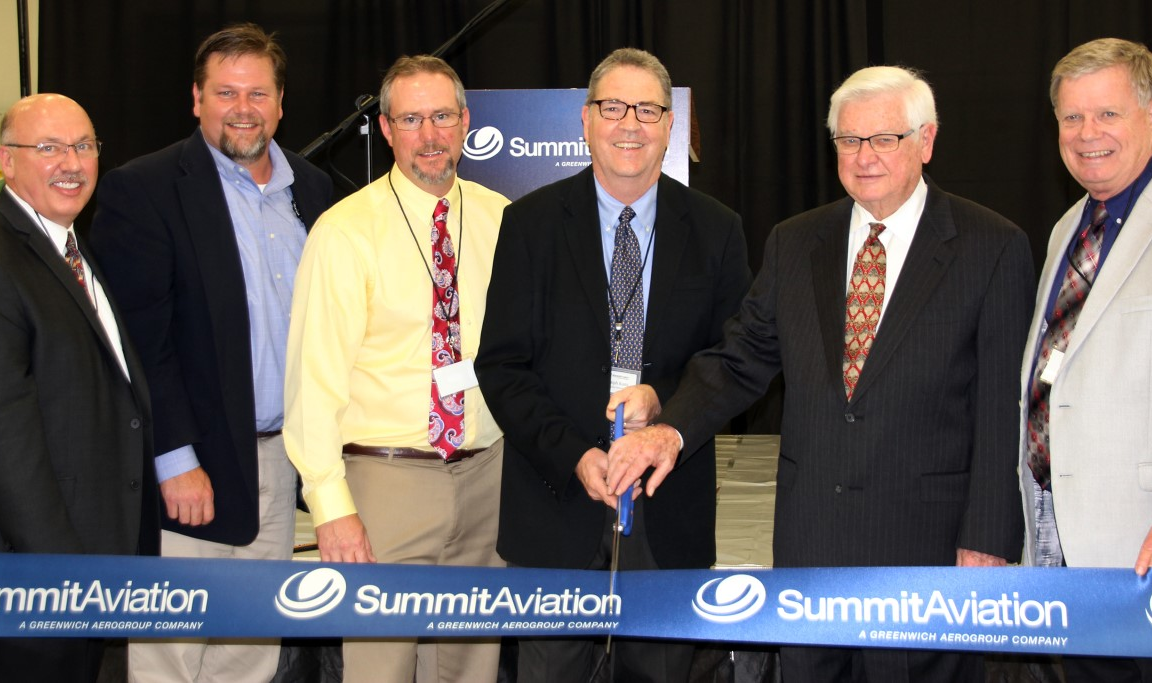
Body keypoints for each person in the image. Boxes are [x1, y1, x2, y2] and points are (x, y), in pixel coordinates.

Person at [608, 65, 1036, 681]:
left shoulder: (991, 245)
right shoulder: (796, 241)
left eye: (884, 138)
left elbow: (1002, 407)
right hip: (811, 548)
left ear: (926, 141)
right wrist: (669, 431)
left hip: (929, 551)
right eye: (848, 140)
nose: (864, 156)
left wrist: (989, 538)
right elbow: (740, 358)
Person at [475, 48, 751, 682]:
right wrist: (575, 454)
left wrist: (664, 403)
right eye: (614, 107)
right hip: (556, 506)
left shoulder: (718, 230)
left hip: (667, 510)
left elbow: (733, 361)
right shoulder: (529, 225)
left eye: (648, 110)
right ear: (586, 119)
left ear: (670, 124)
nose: (631, 124)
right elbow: (503, 366)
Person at [88, 23, 332, 683]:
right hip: (191, 466)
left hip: (281, 459)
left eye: (258, 93)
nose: (243, 108)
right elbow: (138, 342)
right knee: (172, 650)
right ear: (196, 99)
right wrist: (174, 459)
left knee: (250, 645)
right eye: (226, 92)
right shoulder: (145, 189)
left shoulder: (314, 191)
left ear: (281, 102)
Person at [284, 54, 508, 683]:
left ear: (465, 121)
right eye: (411, 119)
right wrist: (331, 507)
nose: (429, 135)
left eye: (442, 117)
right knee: (379, 669)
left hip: (487, 477)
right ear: (385, 129)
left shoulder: (503, 218)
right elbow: (312, 383)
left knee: (471, 667)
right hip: (386, 482)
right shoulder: (345, 231)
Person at [1020, 38, 1152, 681]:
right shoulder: (1067, 227)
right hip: (1067, 553)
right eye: (1072, 117)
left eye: (1107, 114)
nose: (1088, 133)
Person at [0, 94, 159, 682]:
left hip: (85, 565)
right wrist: (63, 579)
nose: (71, 163)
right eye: (48, 148)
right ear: (6, 161)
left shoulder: (69, 246)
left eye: (83, 146)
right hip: (30, 585)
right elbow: (4, 442)